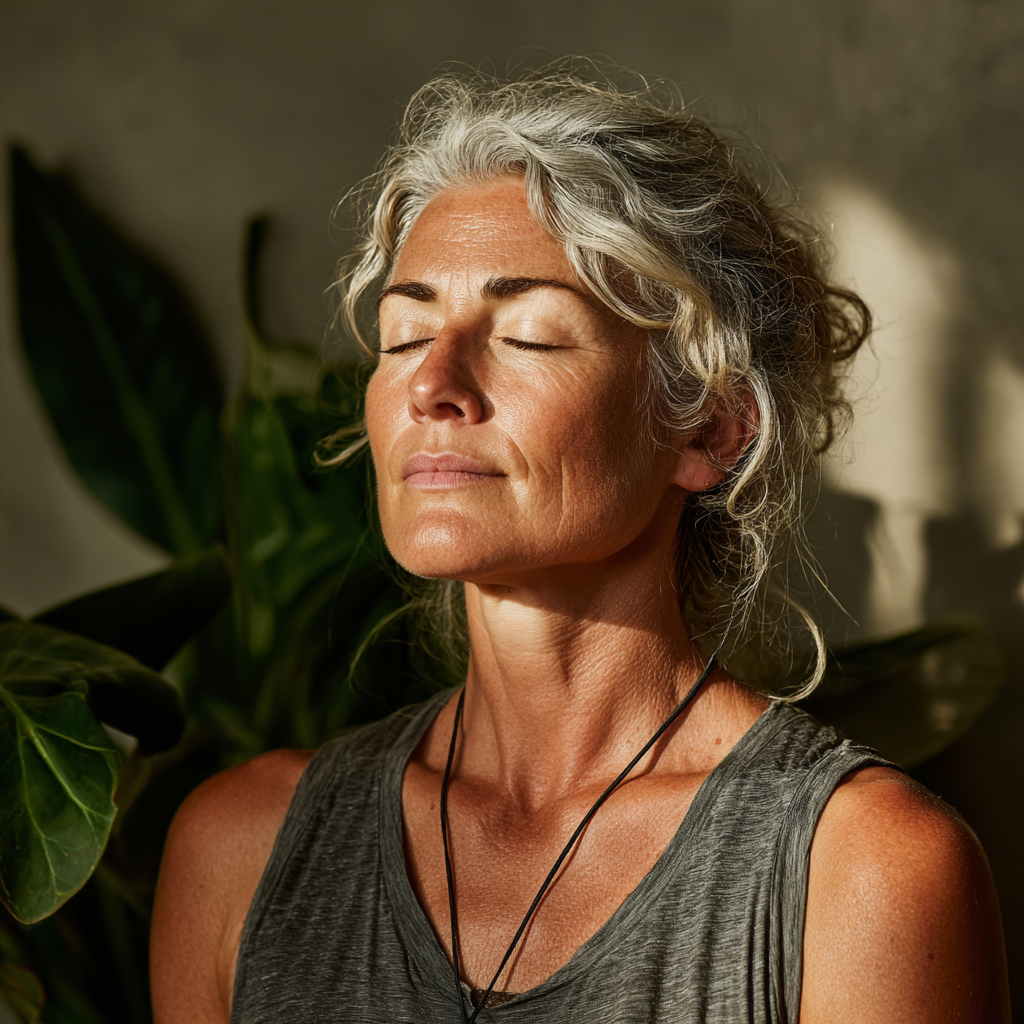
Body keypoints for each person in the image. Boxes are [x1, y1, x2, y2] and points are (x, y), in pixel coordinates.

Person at [150, 66, 1011, 1024]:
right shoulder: (241, 850)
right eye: (402, 334)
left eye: (527, 336)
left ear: (708, 431)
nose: (434, 382)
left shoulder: (859, 870)